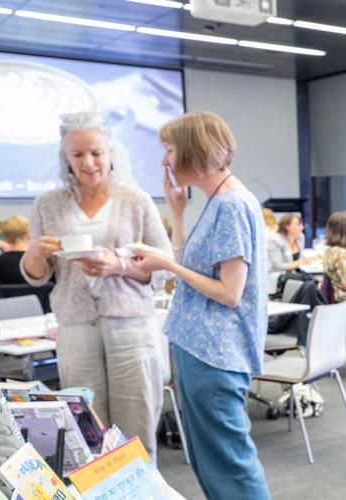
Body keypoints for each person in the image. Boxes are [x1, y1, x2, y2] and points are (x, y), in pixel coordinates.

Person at [130, 111, 271, 500]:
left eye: (170, 150)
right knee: (214, 463)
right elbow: (190, 268)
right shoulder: (219, 202)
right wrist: (176, 212)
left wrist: (165, 263)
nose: (164, 161)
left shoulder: (230, 205)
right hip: (203, 350)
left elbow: (229, 292)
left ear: (192, 151)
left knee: (229, 464)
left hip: (215, 353)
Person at [19, 111, 170, 460]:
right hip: (75, 326)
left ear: (111, 152)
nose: (88, 163)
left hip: (130, 324)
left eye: (96, 153)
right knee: (88, 432)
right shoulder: (47, 203)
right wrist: (35, 252)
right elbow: (35, 275)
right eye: (77, 154)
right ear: (65, 157)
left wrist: (118, 266)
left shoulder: (136, 200)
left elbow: (164, 265)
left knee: (137, 427)